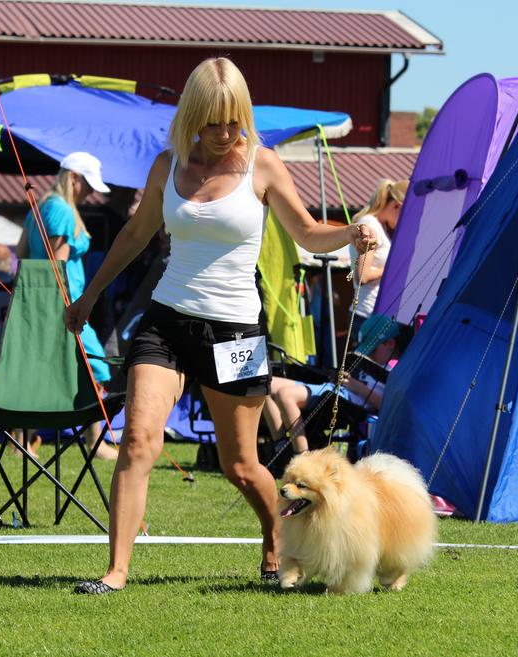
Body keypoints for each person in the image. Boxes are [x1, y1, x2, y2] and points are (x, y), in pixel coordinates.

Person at [63, 57, 377, 594]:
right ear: (193, 116)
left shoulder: (263, 166)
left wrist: (350, 232)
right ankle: (115, 572)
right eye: (213, 122)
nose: (225, 133)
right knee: (137, 441)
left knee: (240, 464)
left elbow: (307, 234)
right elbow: (136, 235)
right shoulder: (168, 165)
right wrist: (89, 296)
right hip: (166, 321)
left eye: (233, 121)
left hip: (235, 334)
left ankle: (275, 536)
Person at [22, 152, 118, 460]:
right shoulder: (62, 211)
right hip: (67, 307)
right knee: (96, 367)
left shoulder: (41, 207)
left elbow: (22, 253)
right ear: (73, 178)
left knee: (39, 371)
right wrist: (67, 310)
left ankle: (22, 439)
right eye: (87, 185)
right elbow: (58, 267)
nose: (90, 193)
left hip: (41, 304)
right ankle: (94, 441)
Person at [264, 314, 403, 455]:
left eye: (371, 350)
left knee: (285, 395)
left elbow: (387, 407)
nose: (368, 355)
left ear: (390, 344)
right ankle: (281, 446)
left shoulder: (396, 371)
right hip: (335, 389)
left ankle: (302, 455)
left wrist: (358, 387)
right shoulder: (375, 362)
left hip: (343, 400)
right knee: (265, 385)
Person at [348, 178, 408, 336]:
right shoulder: (370, 225)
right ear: (396, 206)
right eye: (406, 214)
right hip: (367, 315)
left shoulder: (379, 227)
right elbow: (362, 276)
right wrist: (394, 268)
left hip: (373, 314)